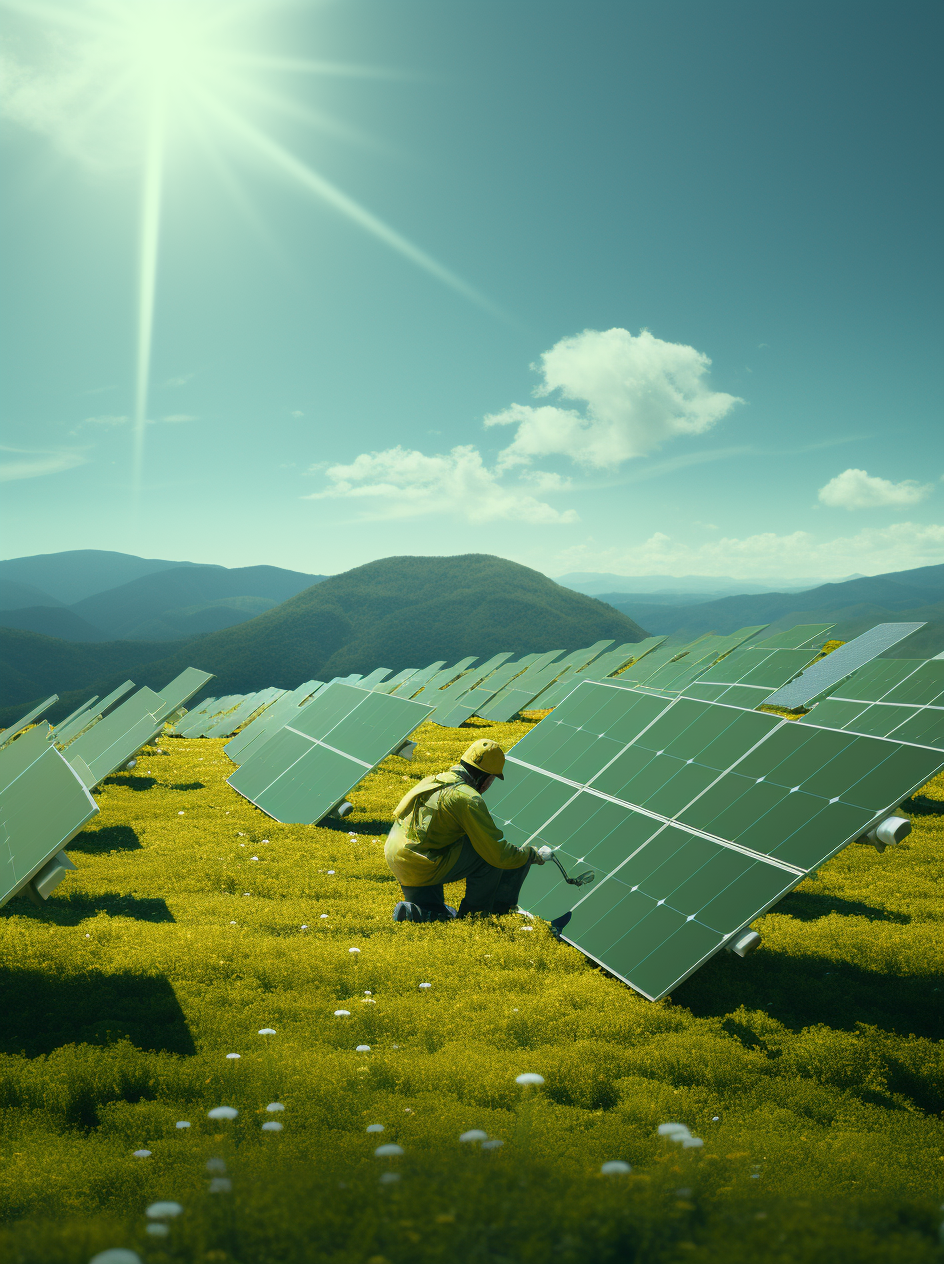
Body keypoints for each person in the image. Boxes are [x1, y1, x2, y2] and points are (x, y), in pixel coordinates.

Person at [385, 737, 551, 921]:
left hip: (398, 854)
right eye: (492, 779)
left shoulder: (434, 780)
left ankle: (414, 911)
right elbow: (497, 853)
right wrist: (530, 855)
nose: (490, 785)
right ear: (485, 777)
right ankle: (474, 917)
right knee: (487, 856)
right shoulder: (467, 798)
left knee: (435, 912)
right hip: (422, 862)